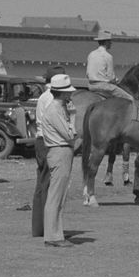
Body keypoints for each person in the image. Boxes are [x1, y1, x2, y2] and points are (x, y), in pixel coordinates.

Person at [41, 74, 78, 248]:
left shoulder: (56, 108)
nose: (70, 96)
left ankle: (55, 233)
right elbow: (69, 135)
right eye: (68, 93)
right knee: (56, 195)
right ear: (62, 94)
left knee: (59, 195)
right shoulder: (55, 110)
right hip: (60, 150)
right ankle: (53, 236)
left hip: (60, 151)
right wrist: (73, 117)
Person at [31, 66, 66, 237]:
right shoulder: (52, 98)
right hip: (49, 141)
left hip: (40, 140)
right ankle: (49, 228)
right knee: (51, 186)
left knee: (41, 183)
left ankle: (38, 227)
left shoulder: (42, 97)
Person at [86, 30, 134, 102]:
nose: (111, 43)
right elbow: (111, 77)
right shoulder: (108, 56)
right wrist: (116, 81)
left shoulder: (91, 54)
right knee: (131, 99)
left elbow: (87, 74)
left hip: (91, 86)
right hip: (104, 87)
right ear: (106, 42)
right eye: (110, 41)